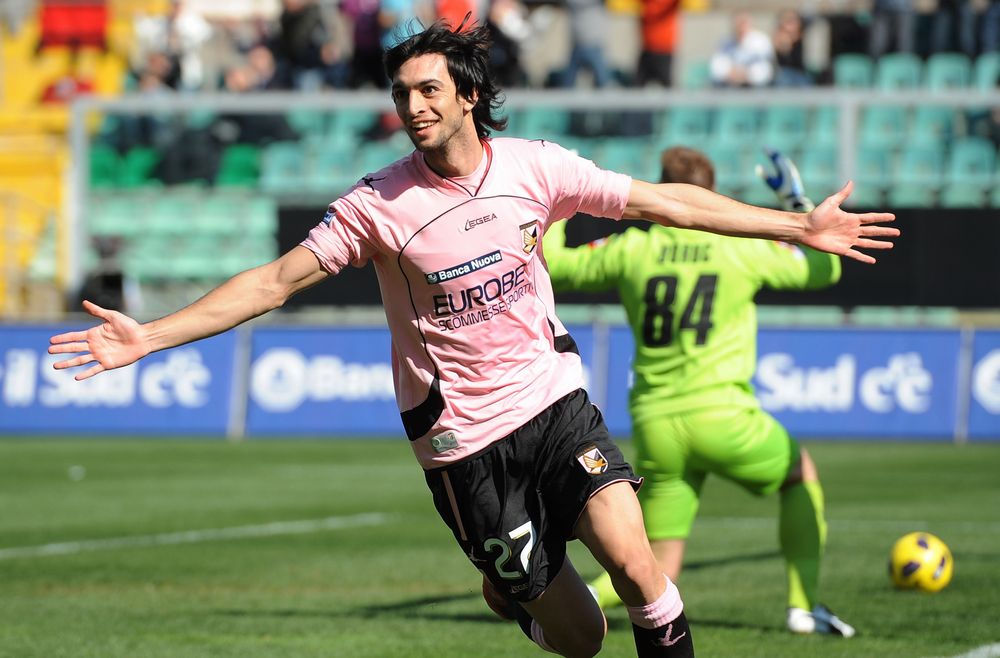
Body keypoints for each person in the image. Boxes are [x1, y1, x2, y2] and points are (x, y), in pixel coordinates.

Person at [49, 19, 896, 658]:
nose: (412, 107)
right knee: (582, 639)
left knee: (641, 570)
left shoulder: (536, 167)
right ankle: (516, 589)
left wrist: (796, 225)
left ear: (467, 96)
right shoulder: (376, 205)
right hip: (464, 446)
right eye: (400, 95)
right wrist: (150, 336)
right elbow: (274, 282)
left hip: (554, 404)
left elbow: (664, 202)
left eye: (427, 91)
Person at [541, 146, 858, 638]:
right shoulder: (738, 247)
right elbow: (824, 269)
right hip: (722, 415)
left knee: (655, 562)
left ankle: (555, 601)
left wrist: (557, 200)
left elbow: (557, 264)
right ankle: (803, 606)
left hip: (656, 422)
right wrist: (796, 200)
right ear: (711, 195)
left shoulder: (632, 249)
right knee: (800, 475)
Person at [709, 11, 775, 88]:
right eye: (738, 24)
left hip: (755, 87)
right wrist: (731, 74)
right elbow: (717, 67)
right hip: (729, 85)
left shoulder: (761, 41)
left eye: (744, 23)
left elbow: (765, 69)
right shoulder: (725, 43)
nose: (741, 27)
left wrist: (747, 75)